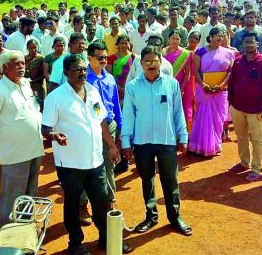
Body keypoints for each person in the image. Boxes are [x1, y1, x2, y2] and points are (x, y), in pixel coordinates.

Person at [41, 54, 132, 255]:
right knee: (73, 204)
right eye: (77, 69)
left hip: (96, 160)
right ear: (66, 73)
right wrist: (54, 135)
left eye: (84, 69)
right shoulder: (55, 98)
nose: (82, 73)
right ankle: (75, 243)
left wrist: (112, 146)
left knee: (101, 202)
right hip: (70, 163)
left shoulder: (92, 92)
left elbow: (101, 122)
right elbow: (45, 128)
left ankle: (105, 239)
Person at [121, 45, 193, 237]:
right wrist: (126, 142)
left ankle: (175, 216)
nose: (151, 64)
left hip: (166, 140)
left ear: (161, 62)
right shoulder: (133, 86)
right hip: (142, 141)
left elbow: (178, 112)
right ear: (141, 64)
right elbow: (128, 115)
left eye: (154, 61)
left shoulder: (171, 84)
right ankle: (151, 216)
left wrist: (183, 136)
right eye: (147, 61)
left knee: (170, 180)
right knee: (147, 179)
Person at [0, 50, 44, 230]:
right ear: (5, 67)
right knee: (12, 197)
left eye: (23, 63)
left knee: (30, 194)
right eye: (16, 64)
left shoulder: (26, 84)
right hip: (14, 153)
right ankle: (7, 238)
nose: (21, 67)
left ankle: (25, 231)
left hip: (35, 149)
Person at [227, 31, 262, 182]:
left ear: (257, 44)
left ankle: (255, 168)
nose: (248, 45)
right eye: (246, 42)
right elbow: (232, 82)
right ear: (242, 45)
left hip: (255, 109)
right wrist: (230, 101)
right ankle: (244, 162)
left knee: (256, 139)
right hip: (237, 107)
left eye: (251, 42)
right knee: (241, 137)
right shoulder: (239, 61)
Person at [86, 41, 122, 205]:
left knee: (108, 165)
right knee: (87, 166)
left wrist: (119, 125)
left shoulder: (109, 78)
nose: (103, 60)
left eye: (105, 57)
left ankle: (110, 201)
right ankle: (83, 204)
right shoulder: (83, 78)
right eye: (100, 57)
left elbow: (115, 102)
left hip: (109, 124)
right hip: (90, 127)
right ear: (90, 58)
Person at [188, 27, 234, 156]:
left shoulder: (228, 53)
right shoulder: (200, 52)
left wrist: (222, 84)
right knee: (203, 115)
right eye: (218, 35)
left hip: (221, 90)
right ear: (211, 37)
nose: (221, 37)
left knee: (218, 118)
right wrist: (203, 85)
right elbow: (195, 71)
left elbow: (230, 71)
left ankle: (215, 144)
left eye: (223, 35)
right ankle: (199, 145)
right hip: (204, 89)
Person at [162, 30, 194, 131]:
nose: (175, 41)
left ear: (180, 41)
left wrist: (182, 88)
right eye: (173, 38)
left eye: (177, 39)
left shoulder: (185, 54)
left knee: (178, 110)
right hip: (164, 85)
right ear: (168, 39)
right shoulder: (162, 52)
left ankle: (180, 134)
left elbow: (188, 73)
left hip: (179, 85)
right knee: (164, 108)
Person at [106, 35, 135, 104]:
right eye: (122, 43)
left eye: (126, 43)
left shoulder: (134, 57)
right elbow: (109, 74)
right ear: (118, 44)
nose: (124, 45)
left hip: (129, 88)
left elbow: (135, 74)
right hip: (115, 88)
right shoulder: (111, 58)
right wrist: (117, 86)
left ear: (129, 44)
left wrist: (126, 86)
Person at [25, 39, 46, 110]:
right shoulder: (24, 58)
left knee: (39, 107)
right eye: (31, 48)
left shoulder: (41, 58)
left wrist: (33, 81)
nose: (33, 50)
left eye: (35, 47)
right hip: (26, 86)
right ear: (27, 48)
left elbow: (43, 74)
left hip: (38, 87)